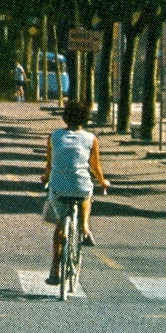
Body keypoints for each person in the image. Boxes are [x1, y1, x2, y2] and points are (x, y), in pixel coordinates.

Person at [44, 99, 109, 284]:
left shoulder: (54, 136)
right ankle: (85, 228)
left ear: (65, 117)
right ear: (86, 119)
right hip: (81, 185)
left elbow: (50, 164)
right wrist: (103, 182)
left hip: (58, 186)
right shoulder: (91, 139)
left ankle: (55, 269)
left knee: (59, 224)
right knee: (86, 196)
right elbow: (95, 167)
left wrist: (45, 177)